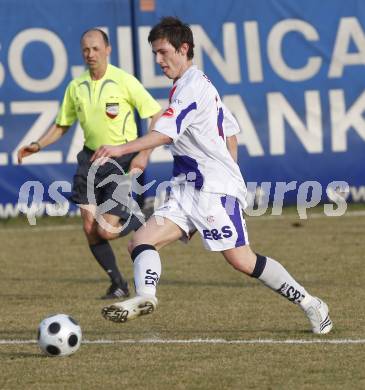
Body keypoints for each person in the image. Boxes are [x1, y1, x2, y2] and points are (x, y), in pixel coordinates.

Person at [91, 17, 333, 334]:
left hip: (213, 192)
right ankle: (146, 297)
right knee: (140, 241)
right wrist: (227, 164)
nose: (158, 61)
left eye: (163, 52)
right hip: (187, 191)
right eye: (155, 54)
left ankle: (312, 304)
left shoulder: (191, 88)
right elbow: (230, 131)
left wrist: (120, 149)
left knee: (243, 261)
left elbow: (165, 134)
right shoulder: (196, 85)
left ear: (184, 48)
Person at [17, 28, 162, 299]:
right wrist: (37, 145)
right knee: (88, 228)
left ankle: (144, 218)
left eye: (95, 48)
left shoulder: (124, 81)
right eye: (86, 49)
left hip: (120, 160)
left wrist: (144, 153)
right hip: (90, 160)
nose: (90, 54)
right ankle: (118, 284)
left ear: (108, 50)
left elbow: (155, 115)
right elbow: (62, 124)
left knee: (105, 230)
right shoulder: (76, 86)